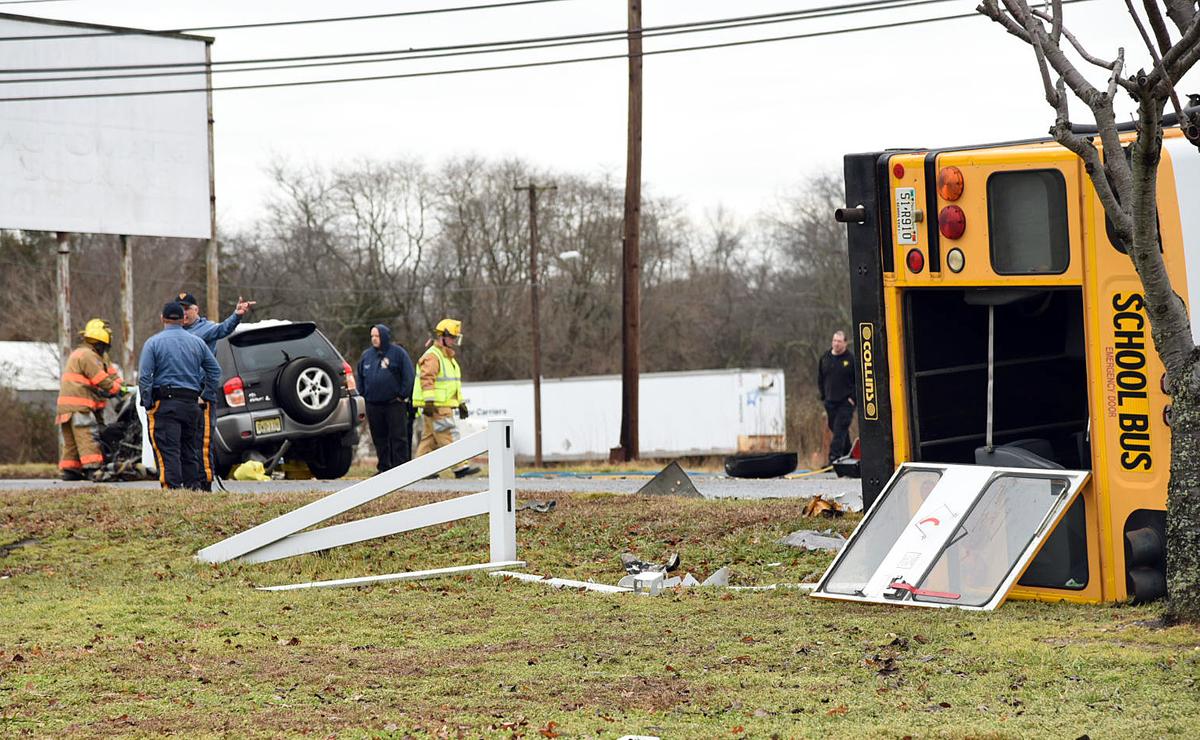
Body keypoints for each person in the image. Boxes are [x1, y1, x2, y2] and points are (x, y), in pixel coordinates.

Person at [138, 302, 221, 490]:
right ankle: (193, 491)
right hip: (192, 404)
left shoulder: (153, 343)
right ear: (183, 319)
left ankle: (172, 492)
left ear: (162, 318)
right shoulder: (197, 342)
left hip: (165, 404)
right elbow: (215, 371)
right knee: (190, 451)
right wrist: (206, 394)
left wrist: (148, 401)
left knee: (169, 451)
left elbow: (144, 376)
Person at [178, 291, 255, 490]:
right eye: (180, 309)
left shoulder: (206, 328)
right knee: (184, 441)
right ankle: (189, 483)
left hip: (201, 394)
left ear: (196, 310)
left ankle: (205, 483)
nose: (183, 313)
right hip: (181, 394)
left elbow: (224, 329)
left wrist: (237, 315)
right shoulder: (175, 331)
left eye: (187, 309)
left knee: (202, 440)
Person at [56, 319, 124, 480]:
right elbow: (101, 379)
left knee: (72, 442)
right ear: (101, 342)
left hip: (66, 407)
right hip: (80, 406)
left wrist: (123, 385)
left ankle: (70, 470)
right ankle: (93, 469)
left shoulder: (94, 355)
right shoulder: (88, 355)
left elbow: (112, 375)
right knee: (88, 436)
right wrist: (118, 390)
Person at [412, 318, 479, 477]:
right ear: (442, 337)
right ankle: (460, 467)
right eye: (452, 337)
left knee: (429, 440)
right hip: (437, 406)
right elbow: (427, 379)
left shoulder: (447, 357)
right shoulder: (433, 356)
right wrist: (429, 402)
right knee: (449, 435)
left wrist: (460, 403)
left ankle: (421, 471)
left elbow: (451, 385)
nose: (454, 341)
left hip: (439, 405)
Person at [356, 324, 416, 472]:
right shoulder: (367, 355)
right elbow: (360, 376)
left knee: (398, 437)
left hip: (394, 403)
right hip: (373, 404)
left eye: (377, 336)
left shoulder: (398, 353)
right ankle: (384, 468)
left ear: (384, 336)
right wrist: (364, 395)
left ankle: (400, 468)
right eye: (372, 336)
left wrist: (402, 395)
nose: (374, 339)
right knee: (379, 438)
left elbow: (408, 376)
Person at [818, 329, 856, 465]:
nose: (836, 344)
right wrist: (823, 397)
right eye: (834, 341)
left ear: (845, 343)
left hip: (846, 402)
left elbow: (859, 380)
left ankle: (833, 458)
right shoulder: (825, 358)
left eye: (839, 341)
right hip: (830, 401)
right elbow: (820, 378)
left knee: (840, 428)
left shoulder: (851, 359)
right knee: (836, 428)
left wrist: (853, 398)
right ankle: (848, 454)